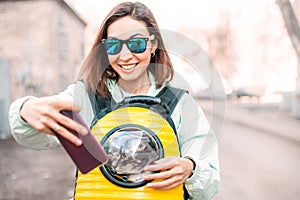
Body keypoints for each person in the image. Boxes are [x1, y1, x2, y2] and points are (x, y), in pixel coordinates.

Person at [9, 1, 220, 199]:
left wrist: (190, 168)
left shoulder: (181, 104)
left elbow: (209, 181)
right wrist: (25, 110)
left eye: (136, 44)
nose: (125, 55)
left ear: (153, 44)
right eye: (113, 46)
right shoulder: (85, 97)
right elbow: (34, 136)